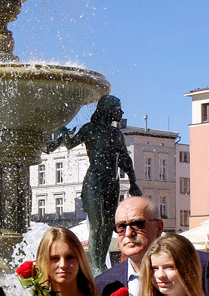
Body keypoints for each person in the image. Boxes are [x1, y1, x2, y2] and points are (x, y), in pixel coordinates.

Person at [96, 196, 209, 296]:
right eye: (121, 227)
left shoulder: (199, 265)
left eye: (137, 225)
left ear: (159, 227)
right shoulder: (105, 283)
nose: (128, 233)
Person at [47, 94, 142, 277]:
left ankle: (101, 263)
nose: (121, 112)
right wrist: (64, 132)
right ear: (107, 110)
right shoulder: (90, 129)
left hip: (112, 183)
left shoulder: (116, 133)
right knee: (97, 225)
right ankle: (97, 265)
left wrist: (133, 182)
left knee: (109, 225)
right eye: (118, 109)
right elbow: (70, 144)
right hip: (94, 182)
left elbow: (124, 158)